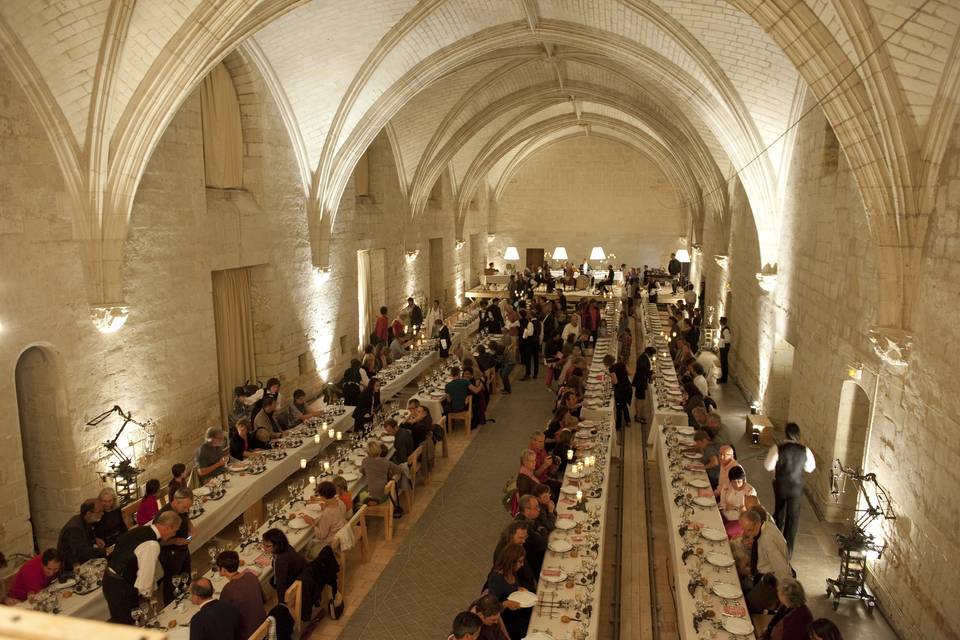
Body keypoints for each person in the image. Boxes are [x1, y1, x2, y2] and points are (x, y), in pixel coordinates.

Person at [102, 510, 181, 624]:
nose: (174, 535)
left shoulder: (140, 529)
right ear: (168, 527)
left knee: (120, 620)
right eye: (174, 531)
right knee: (128, 623)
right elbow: (145, 578)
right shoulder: (151, 545)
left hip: (110, 579)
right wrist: (150, 595)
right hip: (121, 586)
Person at [764, 422, 816, 555]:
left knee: (779, 512)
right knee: (793, 518)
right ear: (798, 434)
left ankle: (775, 542)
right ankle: (788, 551)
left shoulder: (778, 448)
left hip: (781, 485)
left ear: (785, 433)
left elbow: (768, 466)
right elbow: (810, 468)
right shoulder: (805, 450)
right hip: (796, 488)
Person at [739, 509, 793, 612]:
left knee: (745, 606)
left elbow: (782, 569)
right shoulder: (765, 525)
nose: (745, 533)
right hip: (762, 574)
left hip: (771, 582)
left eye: (747, 530)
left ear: (755, 525)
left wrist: (784, 597)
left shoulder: (767, 540)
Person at [485, 543, 536, 640]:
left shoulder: (511, 570)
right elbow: (491, 608)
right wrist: (505, 604)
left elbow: (511, 588)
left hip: (518, 612)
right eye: (520, 562)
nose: (522, 564)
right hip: (508, 619)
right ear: (511, 561)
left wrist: (519, 589)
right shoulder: (496, 579)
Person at [155, 488, 196, 603]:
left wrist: (191, 532)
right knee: (172, 583)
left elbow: (186, 519)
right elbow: (156, 541)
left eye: (188, 507)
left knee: (186, 577)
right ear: (176, 501)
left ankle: (187, 601)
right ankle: (172, 605)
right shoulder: (163, 516)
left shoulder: (183, 509)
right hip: (169, 554)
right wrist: (174, 541)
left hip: (183, 549)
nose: (187, 509)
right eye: (185, 507)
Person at [57, 499, 106, 572]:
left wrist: (94, 539)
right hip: (72, 566)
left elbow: (85, 537)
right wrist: (104, 551)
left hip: (82, 560)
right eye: (99, 512)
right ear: (89, 513)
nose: (102, 513)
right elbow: (82, 552)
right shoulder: (75, 528)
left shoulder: (86, 520)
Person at [299, 481, 347, 553]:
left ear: (323, 496)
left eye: (320, 495)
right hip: (341, 534)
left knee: (303, 547)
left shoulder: (327, 513)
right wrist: (316, 520)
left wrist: (311, 523)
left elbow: (321, 535)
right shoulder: (340, 502)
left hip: (331, 543)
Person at [360, 439, 404, 517]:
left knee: (358, 494)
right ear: (380, 451)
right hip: (384, 494)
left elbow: (362, 471)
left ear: (368, 452)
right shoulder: (386, 461)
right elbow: (399, 470)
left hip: (372, 494)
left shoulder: (365, 461)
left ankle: (360, 520)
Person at [262, 528, 306, 603]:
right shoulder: (286, 547)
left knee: (272, 581)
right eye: (263, 544)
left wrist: (281, 603)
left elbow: (280, 585)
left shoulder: (281, 561)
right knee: (272, 580)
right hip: (300, 574)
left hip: (294, 583)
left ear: (277, 545)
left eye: (267, 546)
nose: (263, 548)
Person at [720, 466, 756, 537]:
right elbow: (722, 502)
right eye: (734, 482)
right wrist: (726, 506)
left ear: (743, 480)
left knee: (726, 532)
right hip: (725, 514)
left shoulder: (749, 491)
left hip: (739, 519)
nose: (736, 485)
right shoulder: (726, 486)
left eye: (739, 482)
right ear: (730, 481)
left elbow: (753, 511)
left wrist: (744, 510)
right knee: (715, 524)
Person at [514, 495, 547, 573]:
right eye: (536, 507)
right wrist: (543, 531)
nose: (539, 509)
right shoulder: (523, 527)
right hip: (532, 564)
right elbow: (543, 544)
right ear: (527, 510)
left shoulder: (526, 518)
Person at [603, 354, 632, 430]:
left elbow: (615, 382)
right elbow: (630, 373)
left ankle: (618, 426)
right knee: (624, 404)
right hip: (628, 387)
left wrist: (610, 376)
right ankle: (628, 421)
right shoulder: (622, 364)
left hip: (620, 390)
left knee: (619, 408)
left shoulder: (611, 369)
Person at [632, 346, 656, 424]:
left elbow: (644, 368)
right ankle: (638, 417)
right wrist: (650, 373)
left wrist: (650, 371)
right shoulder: (643, 359)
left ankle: (637, 415)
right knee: (640, 399)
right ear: (650, 354)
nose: (653, 356)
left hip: (640, 380)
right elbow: (643, 369)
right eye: (653, 355)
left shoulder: (643, 356)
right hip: (640, 381)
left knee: (638, 398)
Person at [718, 316, 732, 383]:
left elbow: (728, 340)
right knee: (723, 363)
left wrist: (721, 340)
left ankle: (724, 379)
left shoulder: (726, 330)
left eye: (721, 321)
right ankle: (723, 377)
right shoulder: (723, 328)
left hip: (724, 348)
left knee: (724, 363)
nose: (720, 322)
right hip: (722, 347)